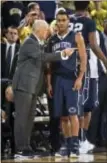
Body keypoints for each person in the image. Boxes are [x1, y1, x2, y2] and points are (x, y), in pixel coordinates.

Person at [12, 20, 74, 159]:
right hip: (24, 85)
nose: (47, 33)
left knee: (29, 119)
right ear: (39, 30)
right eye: (46, 31)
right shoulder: (29, 42)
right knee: (22, 118)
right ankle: (20, 149)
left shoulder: (37, 44)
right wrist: (62, 54)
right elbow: (42, 57)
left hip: (32, 87)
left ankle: (26, 147)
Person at [46, 11, 87, 158]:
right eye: (59, 20)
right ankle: (66, 144)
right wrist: (49, 83)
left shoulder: (76, 37)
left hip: (71, 78)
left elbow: (83, 59)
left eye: (63, 20)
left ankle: (75, 145)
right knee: (62, 116)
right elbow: (49, 65)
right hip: (57, 80)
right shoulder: (51, 40)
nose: (61, 23)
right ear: (56, 22)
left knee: (72, 113)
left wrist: (80, 78)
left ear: (68, 21)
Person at [70, 1, 107, 153]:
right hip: (87, 68)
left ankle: (75, 140)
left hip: (69, 65)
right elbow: (93, 45)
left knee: (75, 107)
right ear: (88, 7)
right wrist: (105, 60)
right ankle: (81, 140)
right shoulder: (89, 22)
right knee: (87, 106)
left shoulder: (68, 20)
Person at [1, 26, 20, 156]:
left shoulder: (22, 50)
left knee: (14, 118)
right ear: (6, 35)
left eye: (15, 33)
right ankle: (1, 147)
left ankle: (15, 148)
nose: (13, 35)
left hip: (14, 87)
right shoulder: (0, 48)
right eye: (10, 33)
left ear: (18, 36)